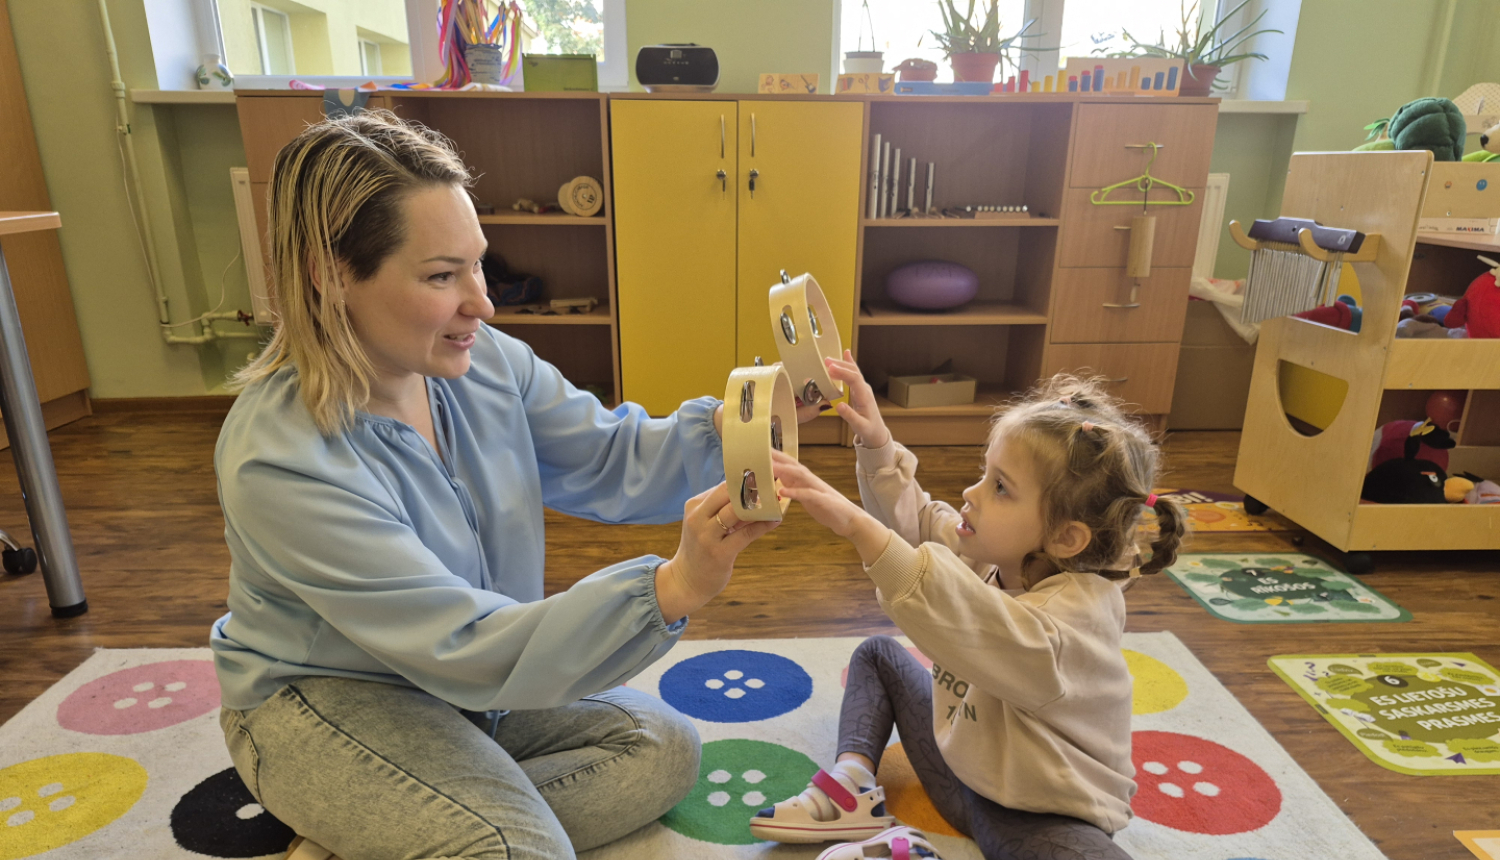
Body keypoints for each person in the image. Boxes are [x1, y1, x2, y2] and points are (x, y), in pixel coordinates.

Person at [211, 110, 786, 860]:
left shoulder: (484, 363)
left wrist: (743, 430)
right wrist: (672, 588)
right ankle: (430, 822)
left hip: (466, 684)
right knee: (515, 848)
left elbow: (607, 457)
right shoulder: (280, 460)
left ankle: (394, 832)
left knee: (661, 744)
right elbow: (464, 642)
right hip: (325, 702)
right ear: (330, 274)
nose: (482, 302)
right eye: (442, 276)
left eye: (477, 263)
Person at [752, 356, 1188, 860]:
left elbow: (962, 612)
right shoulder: (997, 554)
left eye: (1000, 487)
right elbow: (918, 523)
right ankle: (852, 785)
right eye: (986, 473)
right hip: (959, 766)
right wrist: (877, 444)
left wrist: (856, 527)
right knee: (878, 656)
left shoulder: (1072, 625)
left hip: (1039, 814)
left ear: (1065, 537)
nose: (970, 492)